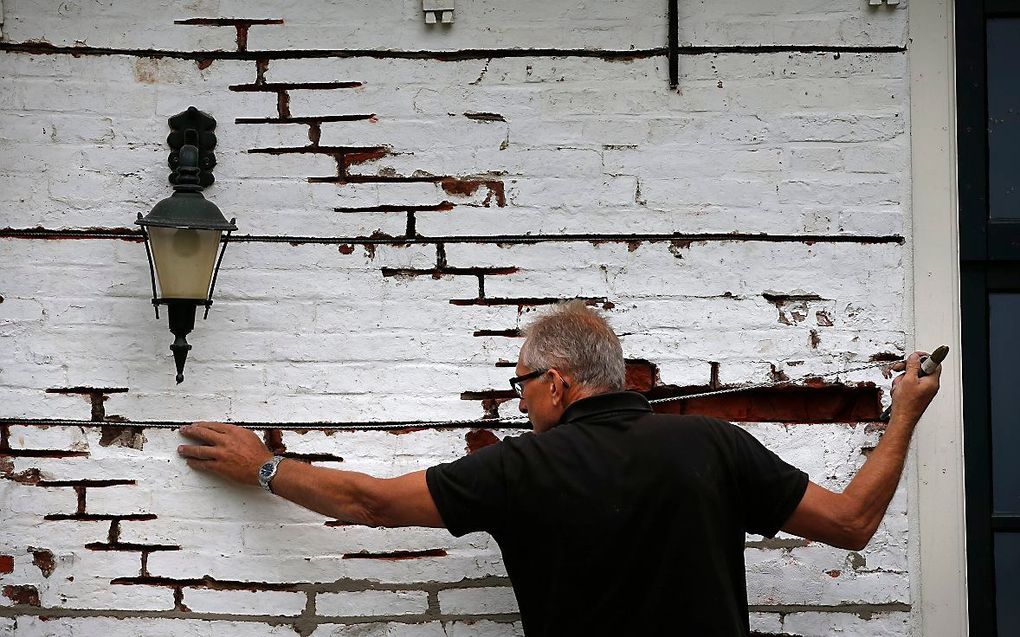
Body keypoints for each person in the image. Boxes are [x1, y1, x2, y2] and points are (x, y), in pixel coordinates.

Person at [177, 301, 941, 636]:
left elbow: (371, 503)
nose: (518, 401)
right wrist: (904, 410)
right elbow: (851, 523)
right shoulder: (712, 446)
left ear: (558, 382)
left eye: (520, 383)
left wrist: (267, 465)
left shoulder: (522, 468)